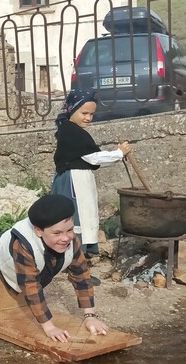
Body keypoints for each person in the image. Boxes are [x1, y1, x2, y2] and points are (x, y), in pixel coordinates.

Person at [0, 194, 111, 343]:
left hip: (15, 267)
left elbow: (81, 276)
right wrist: (49, 326)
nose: (66, 238)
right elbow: (31, 287)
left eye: (69, 230)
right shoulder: (23, 246)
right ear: (38, 231)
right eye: (57, 233)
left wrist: (90, 315)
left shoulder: (70, 241)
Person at [50, 89, 131, 261]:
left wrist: (118, 154)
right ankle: (73, 258)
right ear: (72, 110)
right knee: (76, 214)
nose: (88, 118)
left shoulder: (71, 130)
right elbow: (93, 158)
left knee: (81, 213)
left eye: (91, 114)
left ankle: (75, 256)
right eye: (84, 113)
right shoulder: (73, 133)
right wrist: (118, 153)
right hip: (74, 181)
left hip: (78, 179)